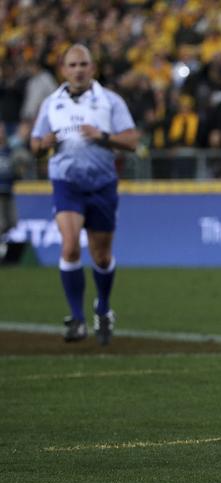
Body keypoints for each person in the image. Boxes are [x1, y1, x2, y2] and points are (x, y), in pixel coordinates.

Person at [30, 44, 138, 345]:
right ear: (63, 70)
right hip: (67, 183)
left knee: (101, 256)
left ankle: (102, 308)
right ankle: (76, 318)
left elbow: (132, 140)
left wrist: (102, 137)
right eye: (72, 65)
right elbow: (34, 143)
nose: (78, 70)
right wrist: (43, 143)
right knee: (69, 247)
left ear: (93, 68)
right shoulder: (52, 103)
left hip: (102, 184)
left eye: (83, 64)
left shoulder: (109, 101)